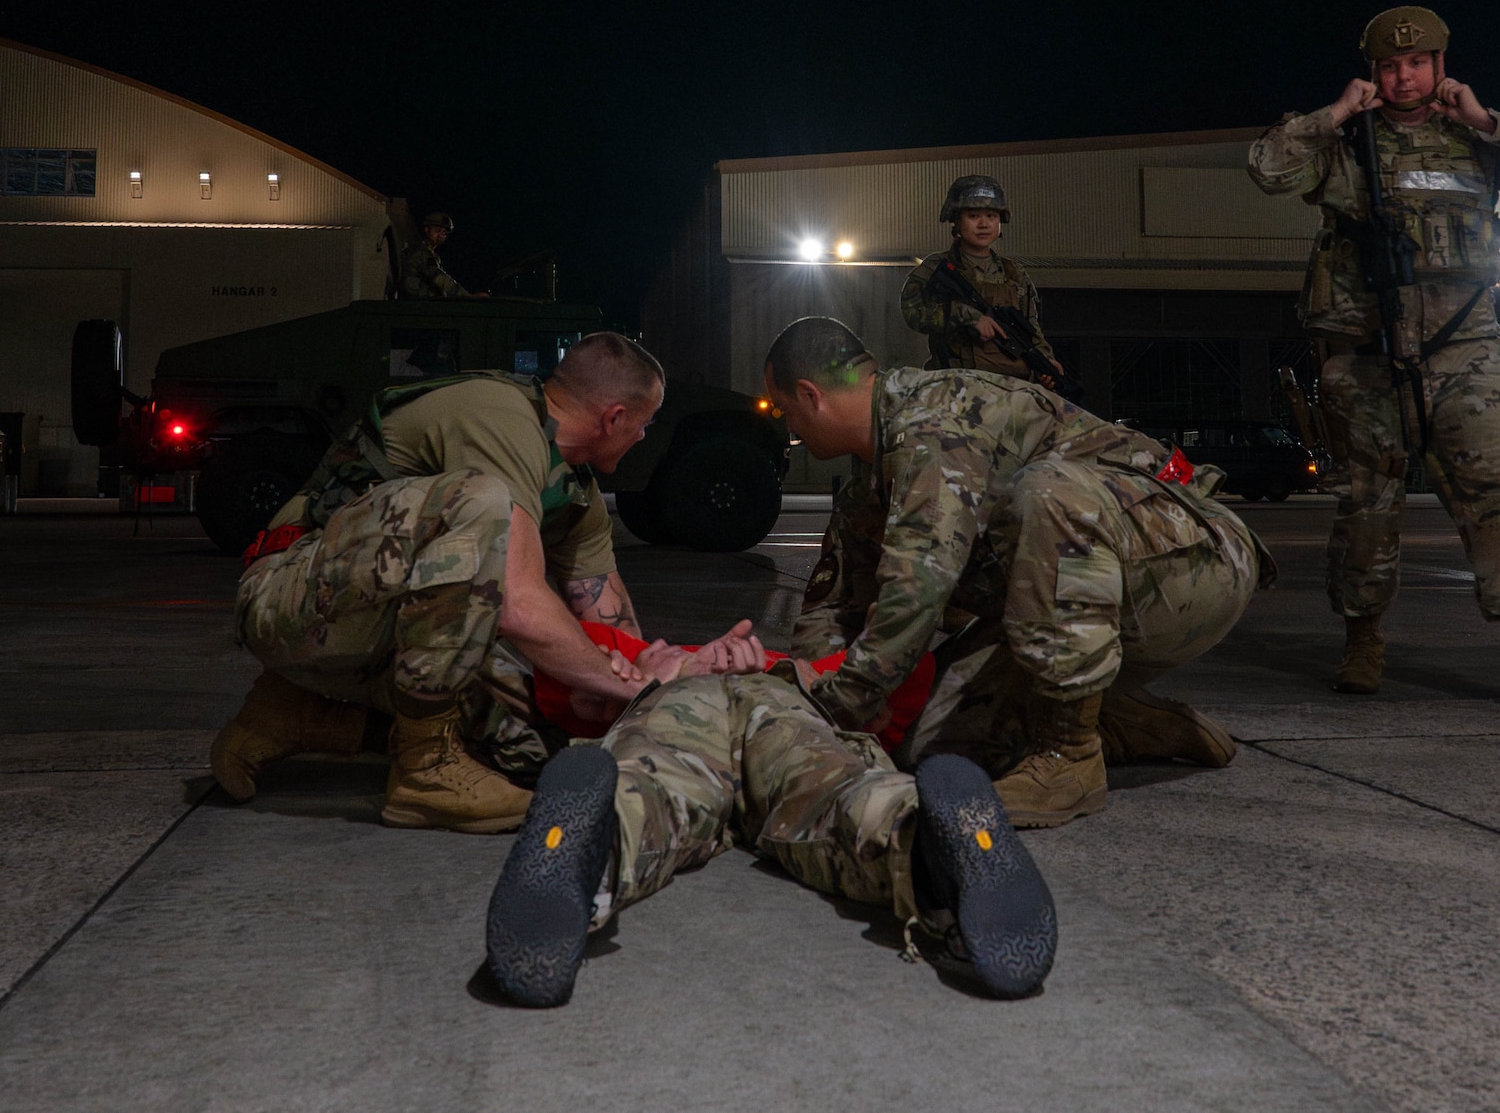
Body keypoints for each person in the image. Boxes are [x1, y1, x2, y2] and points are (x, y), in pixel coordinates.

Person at [210, 333, 759, 832]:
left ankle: (299, 717)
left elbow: (611, 628)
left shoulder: (575, 495)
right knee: (480, 503)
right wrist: (625, 686)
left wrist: (643, 682)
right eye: (645, 423)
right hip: (286, 601)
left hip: (372, 626)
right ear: (615, 418)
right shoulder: (499, 417)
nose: (644, 436)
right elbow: (518, 603)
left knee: (540, 745)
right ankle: (423, 770)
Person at [1246, 5, 1500, 699]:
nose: (1403, 76)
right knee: (1368, 507)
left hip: (1467, 351)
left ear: (1440, 67)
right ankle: (1362, 641)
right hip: (1369, 357)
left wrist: (1485, 119)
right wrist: (1332, 114)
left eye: (1417, 63)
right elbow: (1266, 167)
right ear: (1374, 73)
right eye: (1390, 66)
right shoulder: (1346, 144)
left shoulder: (1472, 139)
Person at [761, 317, 1270, 829]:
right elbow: (830, 613)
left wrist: (847, 705)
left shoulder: (935, 424)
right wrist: (816, 708)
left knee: (1045, 493)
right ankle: (1119, 722)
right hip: (1093, 600)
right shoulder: (866, 491)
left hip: (1194, 562)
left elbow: (917, 588)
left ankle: (1068, 755)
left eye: (786, 411)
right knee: (925, 741)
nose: (789, 428)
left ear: (811, 395)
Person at [482, 673, 1059, 1007]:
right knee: (833, 790)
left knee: (655, 786)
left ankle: (598, 851)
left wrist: (651, 669)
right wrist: (642, 665)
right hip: (761, 698)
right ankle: (920, 840)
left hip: (697, 700)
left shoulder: (674, 665)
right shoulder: (649, 657)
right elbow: (566, 677)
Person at [900, 175, 1067, 387]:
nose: (983, 224)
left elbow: (1031, 327)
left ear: (1000, 222)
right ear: (957, 222)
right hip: (956, 386)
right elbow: (912, 311)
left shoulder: (1014, 273)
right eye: (973, 215)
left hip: (1012, 387)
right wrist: (965, 316)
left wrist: (1045, 360)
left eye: (991, 215)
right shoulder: (938, 267)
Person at [398, 211, 488, 299]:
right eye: (438, 231)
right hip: (414, 303)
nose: (441, 235)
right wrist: (467, 296)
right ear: (427, 229)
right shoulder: (419, 252)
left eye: (444, 233)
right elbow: (438, 278)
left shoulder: (432, 255)